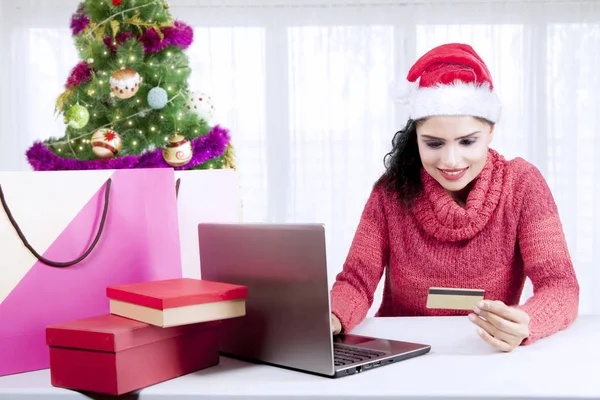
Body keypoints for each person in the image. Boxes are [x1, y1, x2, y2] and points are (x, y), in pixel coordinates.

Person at [329, 43, 580, 352]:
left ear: (490, 131)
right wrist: (334, 316)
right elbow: (356, 280)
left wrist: (527, 321)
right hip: (403, 355)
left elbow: (560, 285)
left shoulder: (522, 185)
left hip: (488, 356)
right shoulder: (391, 192)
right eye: (433, 143)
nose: (450, 160)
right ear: (416, 137)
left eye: (467, 141)